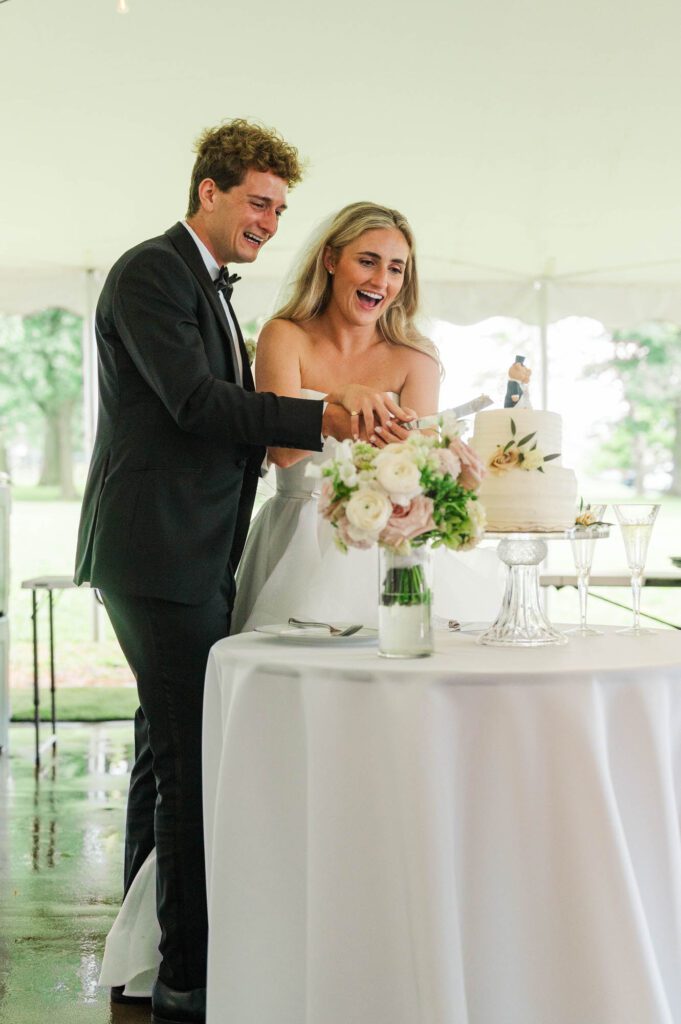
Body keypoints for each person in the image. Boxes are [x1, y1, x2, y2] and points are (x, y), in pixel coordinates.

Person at [74, 123, 412, 1024]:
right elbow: (193, 403)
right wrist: (327, 417)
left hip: (188, 550)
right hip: (155, 551)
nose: (268, 220)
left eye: (278, 208)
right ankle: (192, 978)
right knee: (191, 757)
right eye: (257, 201)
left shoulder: (205, 286)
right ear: (209, 192)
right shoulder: (153, 272)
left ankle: (143, 952)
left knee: (161, 745)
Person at [231, 201, 504, 634]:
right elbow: (283, 452)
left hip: (385, 543)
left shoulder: (416, 359)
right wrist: (343, 396)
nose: (382, 280)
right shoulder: (284, 336)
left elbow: (418, 473)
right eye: (368, 261)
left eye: (396, 269)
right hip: (294, 542)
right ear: (331, 260)